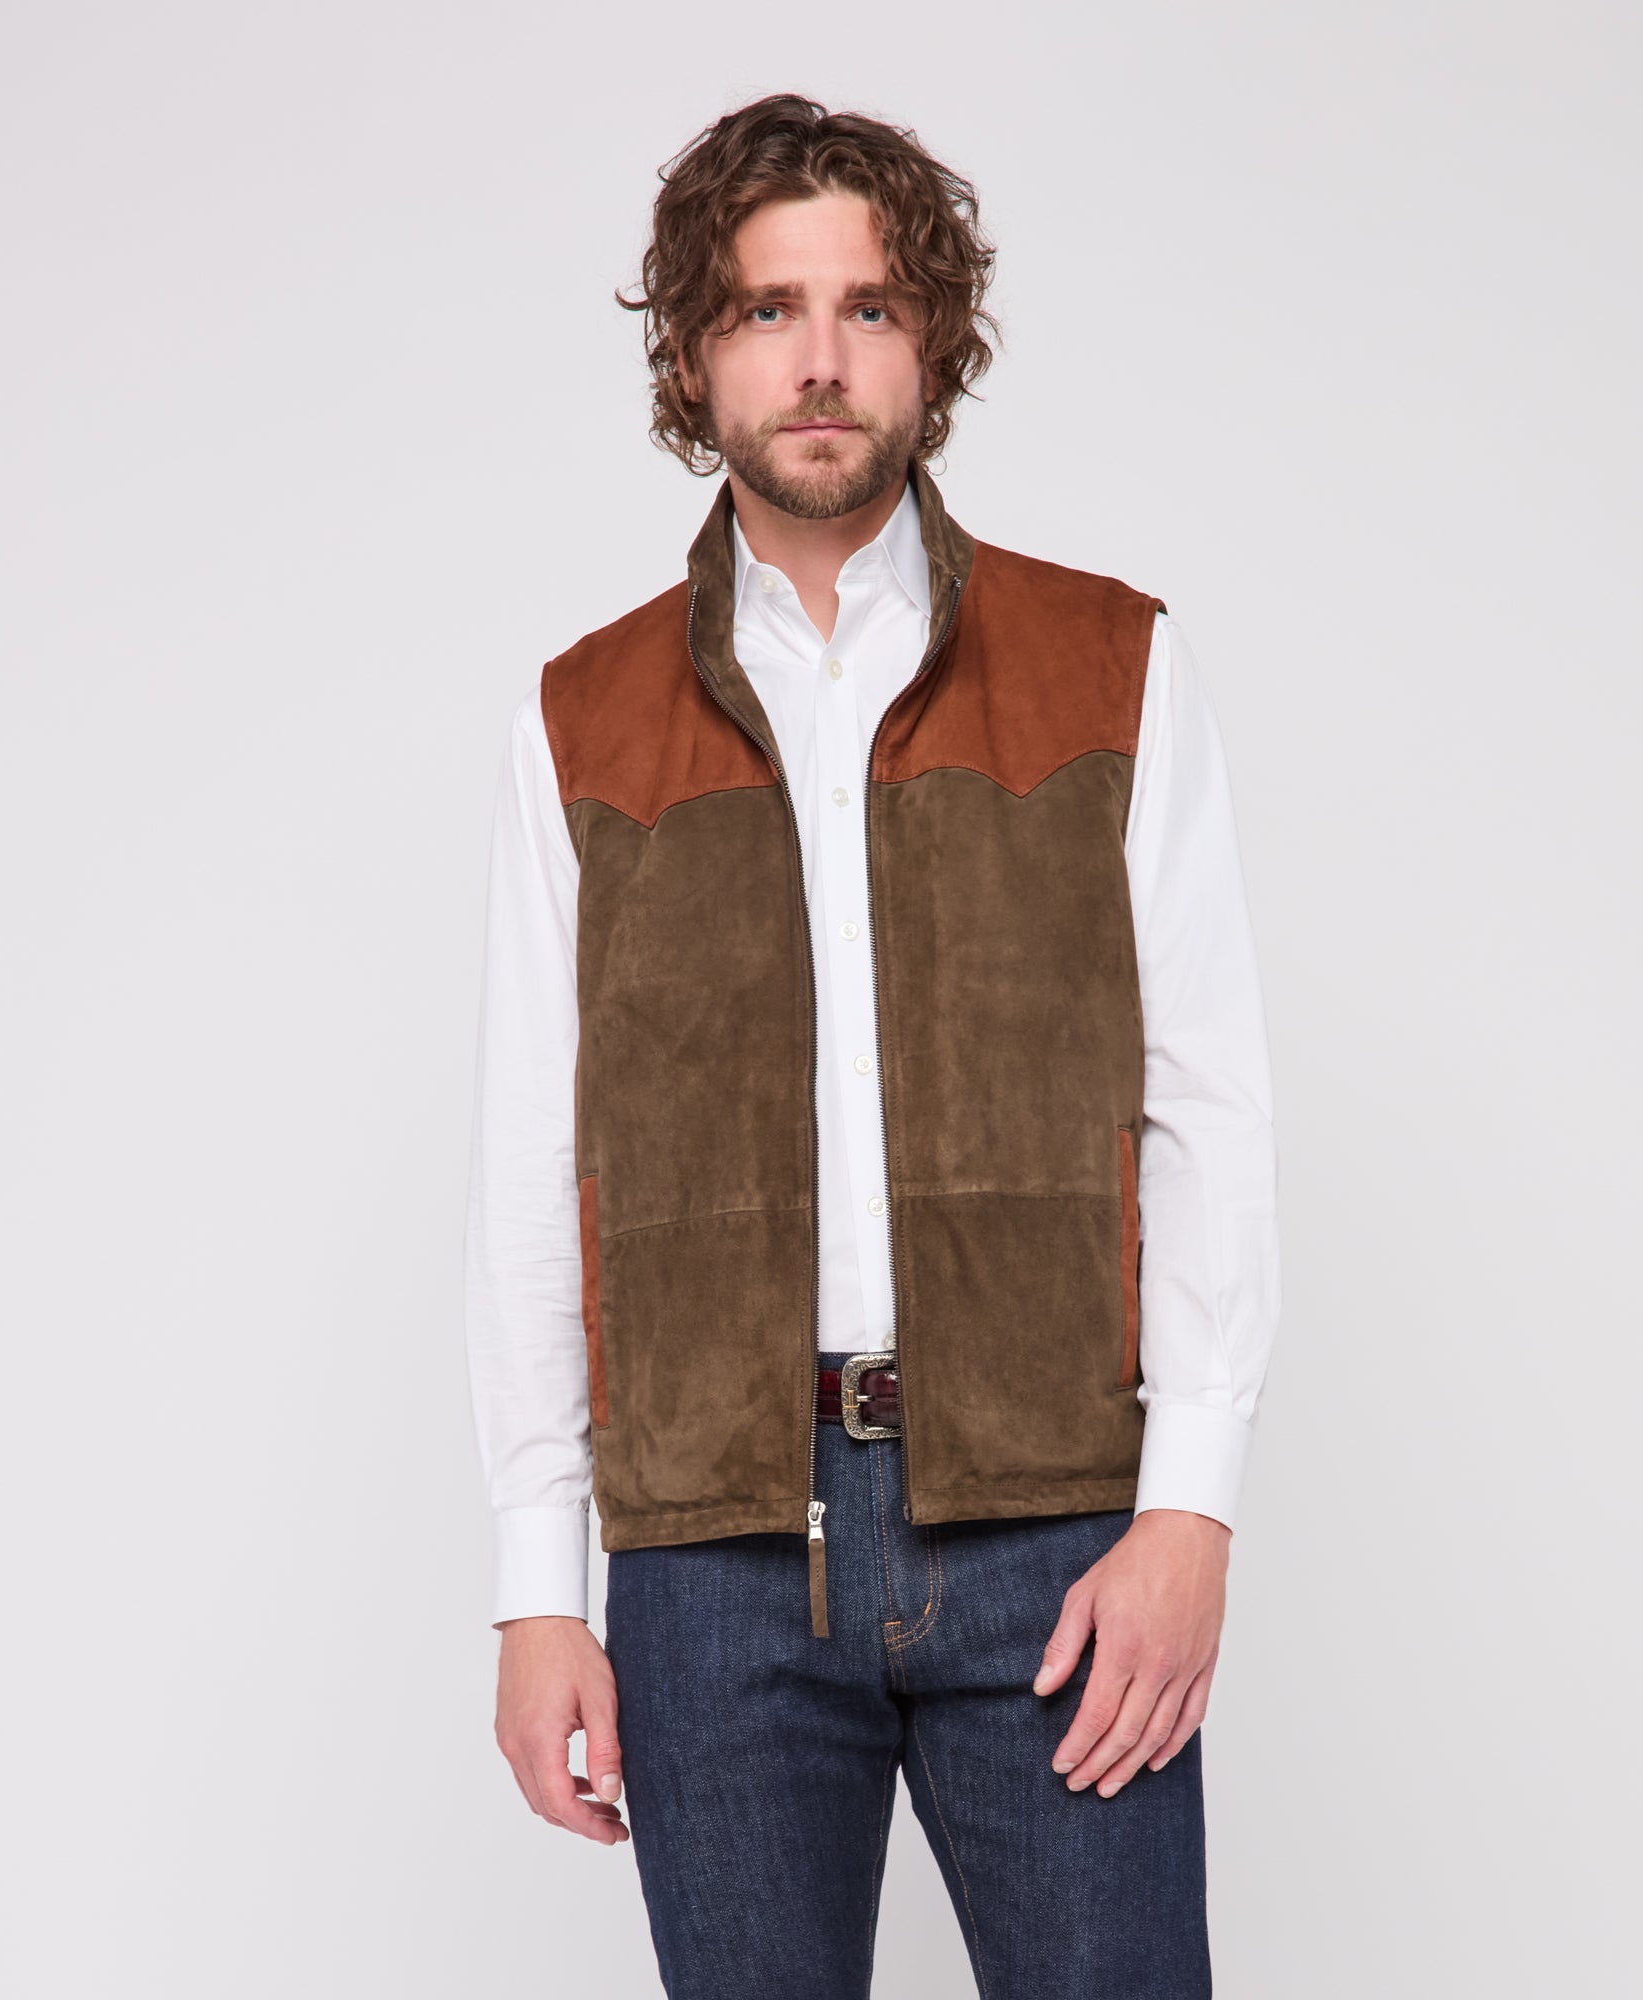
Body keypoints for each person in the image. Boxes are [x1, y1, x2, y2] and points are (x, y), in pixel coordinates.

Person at [464, 91, 1281, 1999]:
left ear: (935, 344)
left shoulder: (1111, 665)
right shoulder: (581, 723)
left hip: (1055, 1534)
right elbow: (535, 1163)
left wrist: (1190, 1507)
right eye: (768, 309)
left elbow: (1206, 1102)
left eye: (871, 307)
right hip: (712, 1562)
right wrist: (535, 1585)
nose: (821, 359)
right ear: (695, 352)